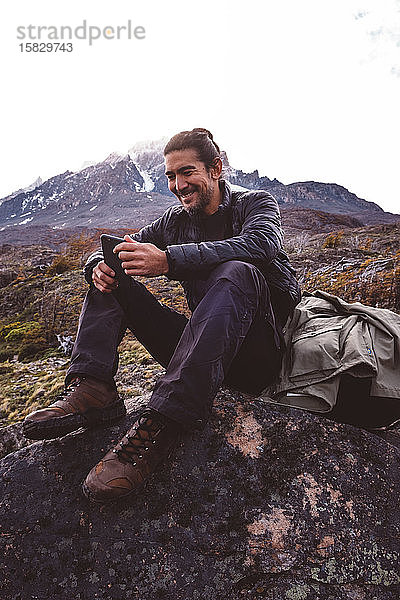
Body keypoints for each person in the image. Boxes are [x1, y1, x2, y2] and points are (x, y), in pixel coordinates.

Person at [23, 128, 301, 503]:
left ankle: (160, 424)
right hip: (202, 351)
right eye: (170, 176)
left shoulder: (256, 204)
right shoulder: (174, 222)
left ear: (215, 169)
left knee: (238, 270)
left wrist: (169, 261)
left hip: (255, 356)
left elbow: (260, 245)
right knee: (112, 274)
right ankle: (93, 388)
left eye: (187, 172)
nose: (177, 184)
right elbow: (121, 249)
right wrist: (96, 268)